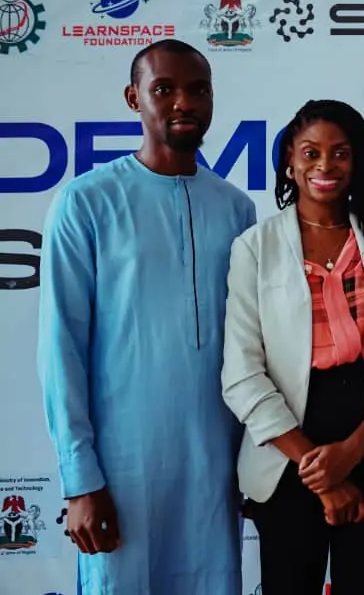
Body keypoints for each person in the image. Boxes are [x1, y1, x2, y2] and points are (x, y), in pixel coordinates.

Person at [36, 38, 256, 594]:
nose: (184, 102)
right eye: (164, 89)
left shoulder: (236, 208)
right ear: (134, 98)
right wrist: (80, 480)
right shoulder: (85, 202)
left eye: (198, 89)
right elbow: (60, 349)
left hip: (213, 468)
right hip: (121, 471)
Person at [221, 99, 364, 595]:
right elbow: (242, 375)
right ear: (289, 158)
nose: (325, 167)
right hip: (287, 448)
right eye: (310, 153)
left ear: (358, 162)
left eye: (340, 154)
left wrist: (354, 451)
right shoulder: (255, 246)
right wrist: (324, 474)